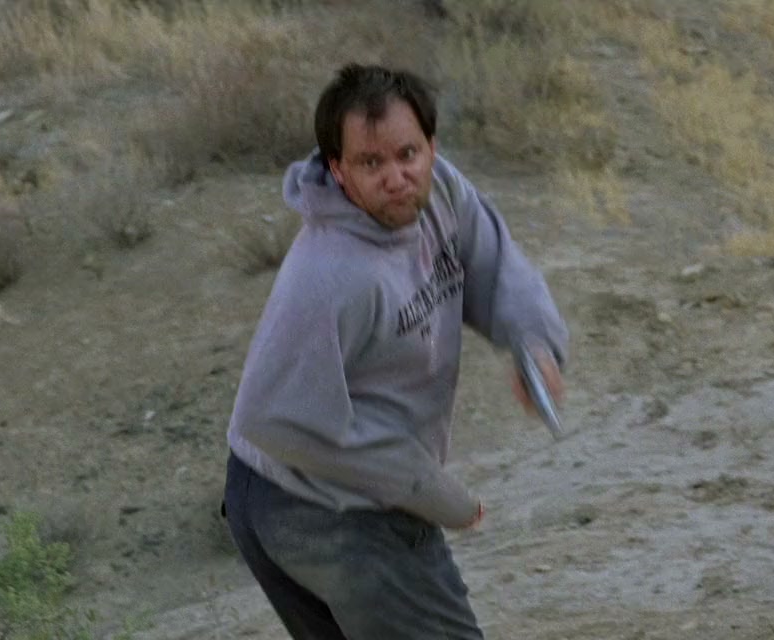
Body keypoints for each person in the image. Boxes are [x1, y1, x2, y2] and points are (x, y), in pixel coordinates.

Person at [222, 62, 570, 640]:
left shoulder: (440, 191)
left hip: (315, 487)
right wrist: (433, 492)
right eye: (370, 163)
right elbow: (271, 418)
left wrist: (534, 342)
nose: (396, 177)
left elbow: (492, 260)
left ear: (431, 146)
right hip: (319, 506)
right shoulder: (329, 277)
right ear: (338, 169)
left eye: (408, 154)